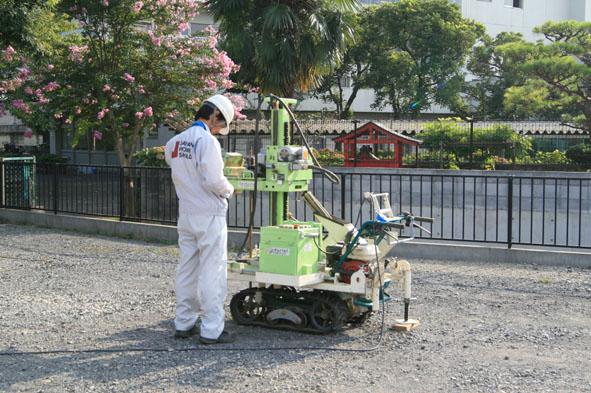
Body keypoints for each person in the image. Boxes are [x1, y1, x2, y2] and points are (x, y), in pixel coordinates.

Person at [164, 94, 236, 345]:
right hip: (209, 214)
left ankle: (183, 323)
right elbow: (214, 181)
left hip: (186, 213)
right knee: (212, 271)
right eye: (220, 124)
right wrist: (230, 190)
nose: (218, 130)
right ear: (215, 115)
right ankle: (212, 329)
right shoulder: (207, 142)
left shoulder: (174, 142)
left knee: (187, 268)